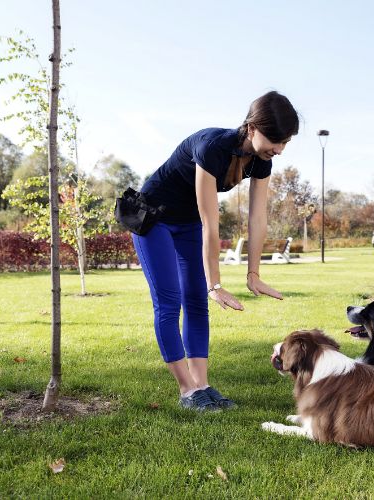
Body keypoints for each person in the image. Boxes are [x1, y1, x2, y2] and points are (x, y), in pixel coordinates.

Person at [132, 91, 298, 412]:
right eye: (275, 139)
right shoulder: (212, 147)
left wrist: (254, 274)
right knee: (170, 302)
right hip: (154, 218)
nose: (279, 149)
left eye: (285, 142)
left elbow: (258, 218)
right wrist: (216, 284)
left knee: (197, 302)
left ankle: (203, 386)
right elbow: (211, 223)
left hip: (187, 221)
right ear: (251, 128)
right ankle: (186, 390)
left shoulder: (261, 161)